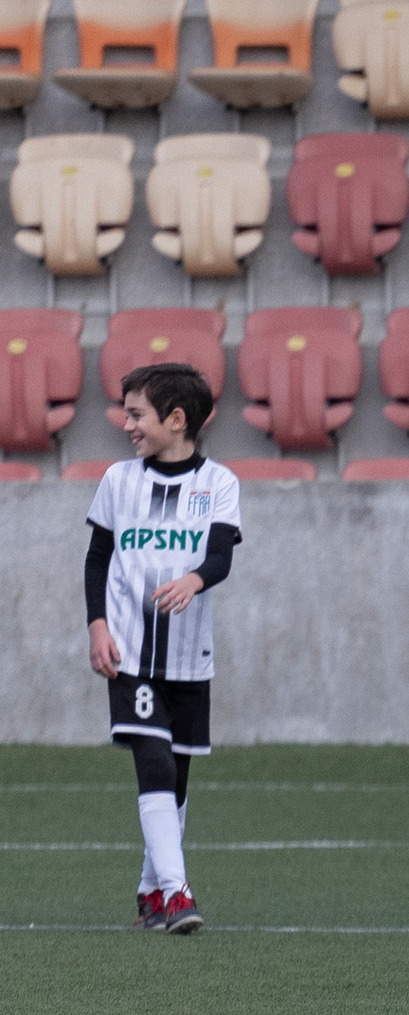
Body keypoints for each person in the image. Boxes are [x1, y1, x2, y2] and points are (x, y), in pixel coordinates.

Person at [85, 363, 243, 934]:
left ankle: (150, 891)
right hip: (131, 653)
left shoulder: (219, 484)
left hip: (189, 658)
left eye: (136, 414)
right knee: (151, 760)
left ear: (176, 420)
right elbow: (98, 558)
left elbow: (221, 556)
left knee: (174, 778)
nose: (125, 423)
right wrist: (97, 625)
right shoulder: (118, 481)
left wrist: (195, 580)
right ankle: (178, 893)